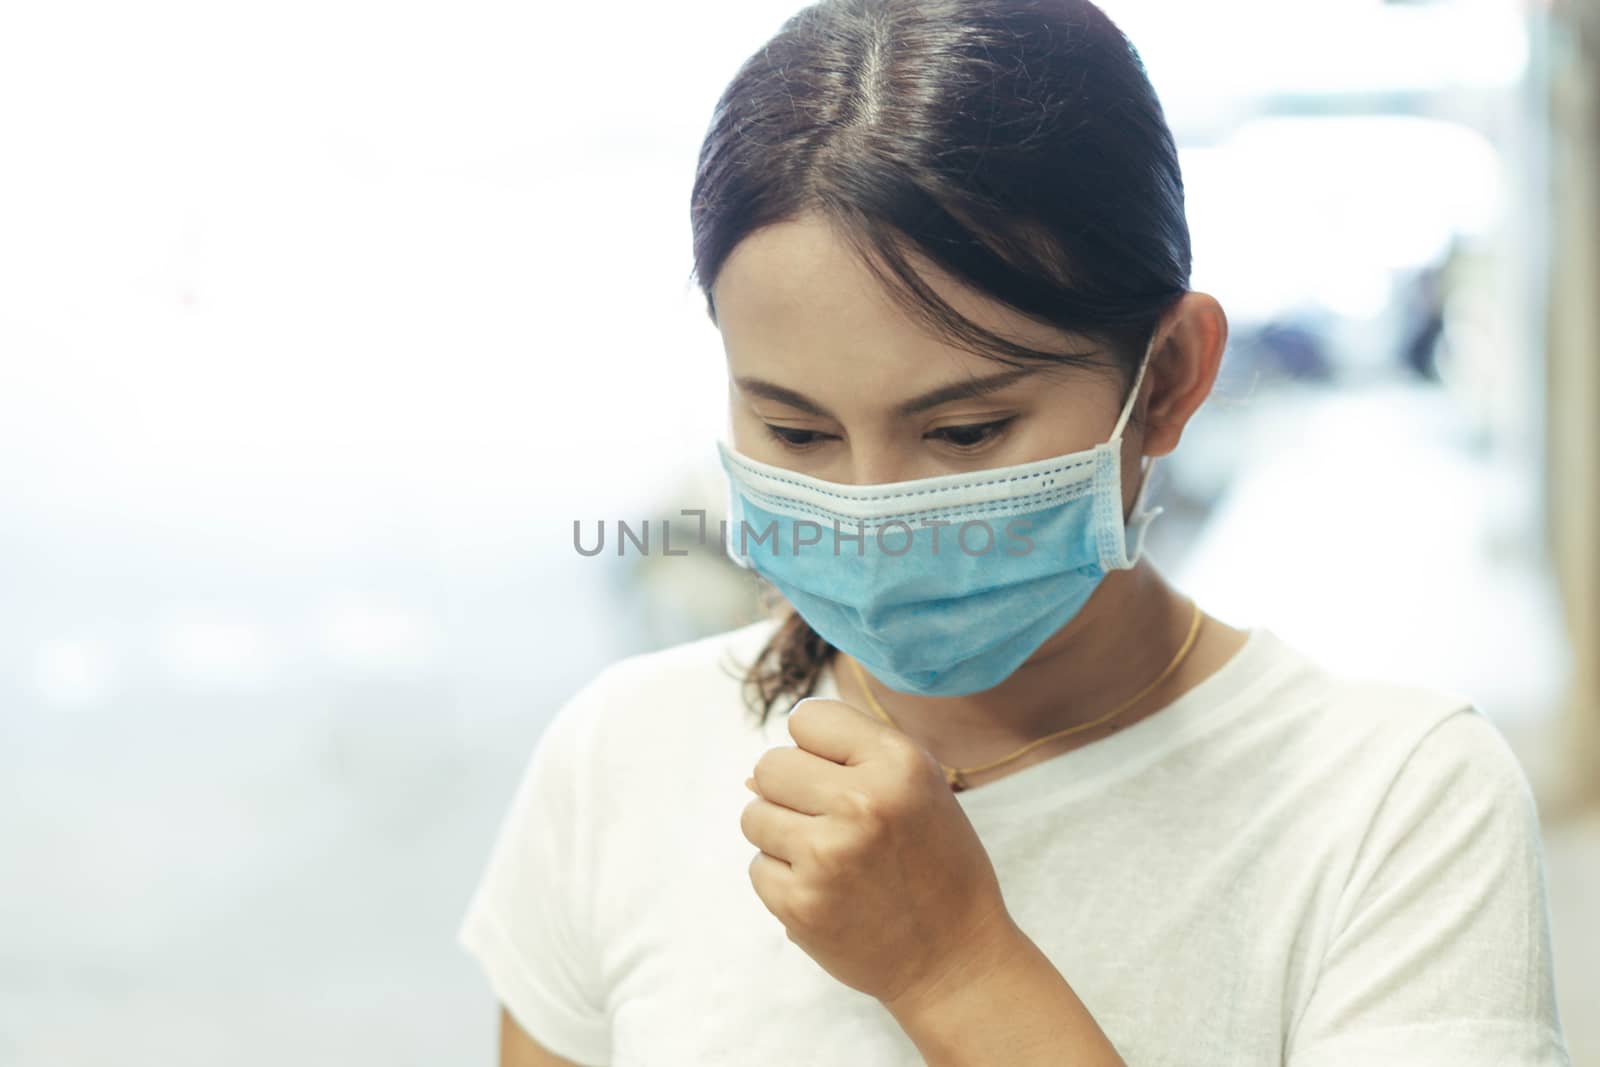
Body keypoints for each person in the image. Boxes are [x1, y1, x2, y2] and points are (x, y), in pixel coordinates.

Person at [456, 1, 1571, 1064]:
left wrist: (956, 969)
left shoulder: (1392, 805)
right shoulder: (620, 755)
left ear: (1170, 376)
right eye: (795, 430)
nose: (872, 519)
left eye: (964, 428)